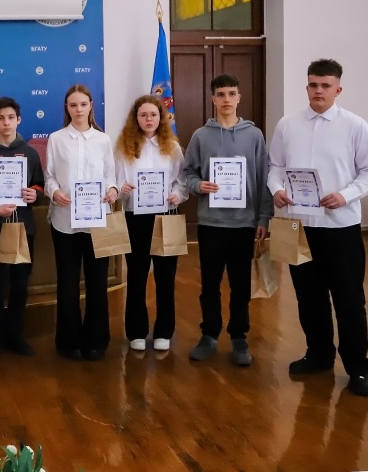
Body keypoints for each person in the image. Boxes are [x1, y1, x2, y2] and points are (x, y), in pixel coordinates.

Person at [268, 59, 368, 396]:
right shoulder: (288, 125)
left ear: (338, 89)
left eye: (326, 86)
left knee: (348, 299)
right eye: (314, 85)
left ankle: (358, 368)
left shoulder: (355, 126)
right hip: (300, 226)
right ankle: (318, 355)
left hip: (340, 227)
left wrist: (345, 195)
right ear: (307, 87)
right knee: (309, 297)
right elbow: (275, 166)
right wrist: (276, 189)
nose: (319, 91)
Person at [183, 74, 273, 366]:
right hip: (211, 223)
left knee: (241, 284)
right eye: (221, 94)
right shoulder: (201, 136)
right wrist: (199, 185)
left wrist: (263, 217)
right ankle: (209, 334)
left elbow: (263, 178)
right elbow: (188, 173)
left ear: (239, 97)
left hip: (244, 224)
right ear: (213, 98)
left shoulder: (254, 135)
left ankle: (239, 336)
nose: (226, 99)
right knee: (209, 284)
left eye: (231, 93)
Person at [45, 85, 118, 361]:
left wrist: (112, 190)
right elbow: (49, 176)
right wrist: (54, 192)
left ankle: (96, 340)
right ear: (67, 108)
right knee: (68, 283)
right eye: (73, 105)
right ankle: (69, 341)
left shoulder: (103, 140)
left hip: (98, 221)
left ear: (91, 106)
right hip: (64, 221)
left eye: (83, 104)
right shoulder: (56, 139)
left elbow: (110, 175)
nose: (78, 109)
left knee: (98, 283)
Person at [114, 95, 188, 352]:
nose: (148, 119)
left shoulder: (173, 147)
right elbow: (115, 183)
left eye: (153, 115)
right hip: (135, 217)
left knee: (166, 277)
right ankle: (136, 331)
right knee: (136, 275)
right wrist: (122, 189)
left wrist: (177, 195)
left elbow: (181, 182)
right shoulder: (124, 147)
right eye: (143, 115)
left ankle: (164, 331)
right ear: (136, 118)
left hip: (166, 215)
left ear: (161, 118)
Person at [0, 96, 44, 359]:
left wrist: (35, 194)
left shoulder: (30, 153)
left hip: (23, 228)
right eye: (1, 118)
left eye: (11, 118)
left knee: (20, 286)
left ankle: (16, 336)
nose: (6, 123)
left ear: (19, 120)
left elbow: (39, 186)